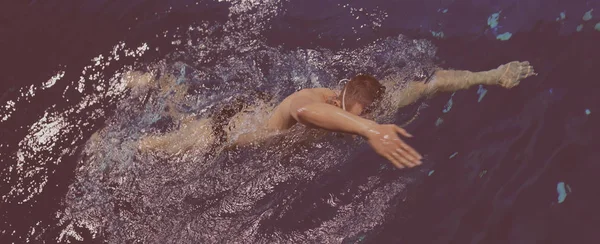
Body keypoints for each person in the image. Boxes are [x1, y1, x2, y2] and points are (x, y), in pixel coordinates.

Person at [140, 61, 536, 169]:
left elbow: (431, 82)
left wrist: (492, 76)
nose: (346, 123)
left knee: (183, 107)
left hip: (251, 111)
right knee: (151, 146)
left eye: (362, 115)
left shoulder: (377, 102)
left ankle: (161, 86)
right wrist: (369, 129)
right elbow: (304, 111)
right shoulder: (316, 99)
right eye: (346, 115)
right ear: (338, 102)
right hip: (228, 133)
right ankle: (151, 84)